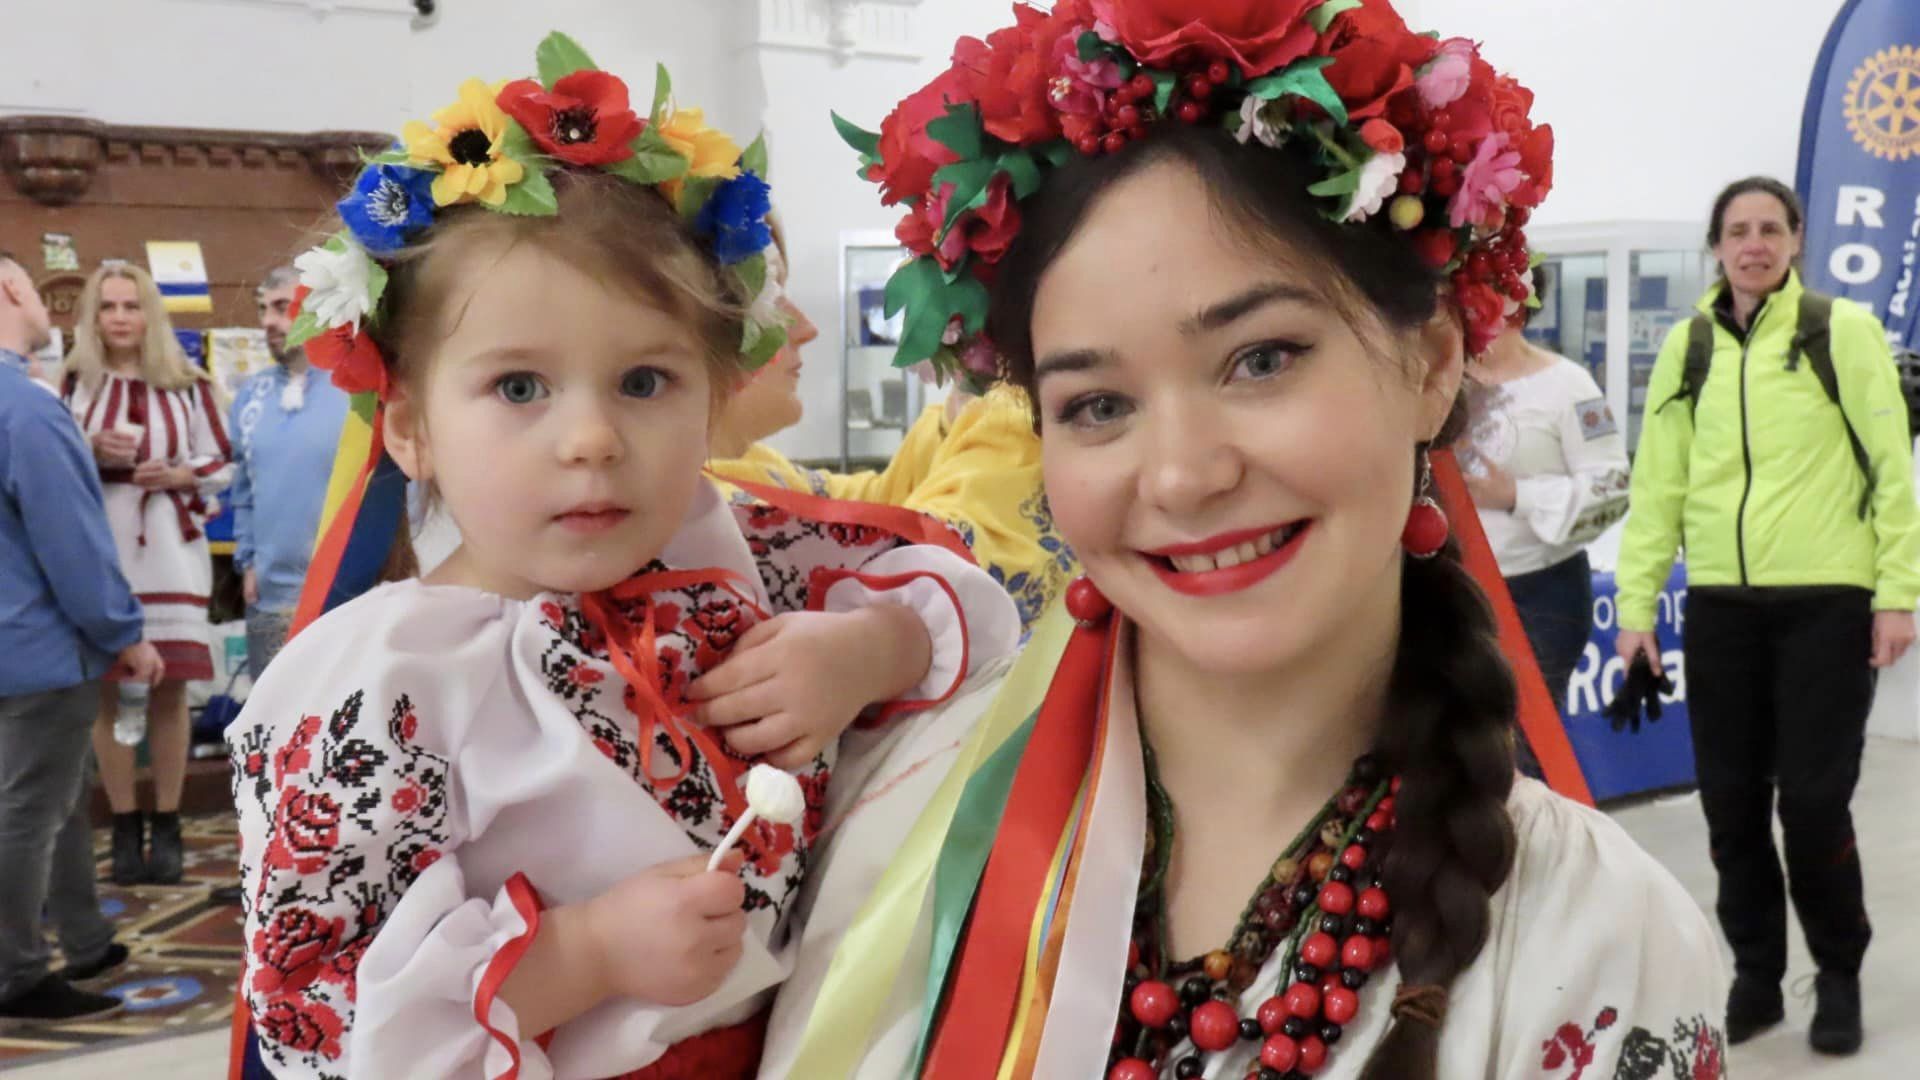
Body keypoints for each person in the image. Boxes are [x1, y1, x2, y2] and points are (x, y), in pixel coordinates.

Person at [761, 3, 1726, 1077]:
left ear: (1433, 362)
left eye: (1261, 359)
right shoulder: (896, 804)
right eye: (1096, 405)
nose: (1181, 474)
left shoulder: (1596, 940)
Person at [229, 39, 1018, 1080]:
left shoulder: (740, 553)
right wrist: (584, 954)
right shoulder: (383, 685)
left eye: (644, 382)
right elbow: (316, 1006)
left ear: (714, 400)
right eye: (519, 388)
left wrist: (869, 648)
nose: (592, 438)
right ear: (412, 427)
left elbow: (965, 600)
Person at [1615, 176, 1920, 1056]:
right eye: (1737, 230)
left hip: (1828, 603)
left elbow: (1891, 468)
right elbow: (1659, 485)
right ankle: (1755, 974)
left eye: (1770, 229)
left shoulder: (1841, 333)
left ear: (1794, 240)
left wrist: (1896, 591)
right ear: (1716, 246)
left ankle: (1840, 973)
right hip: (1722, 608)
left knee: (1817, 804)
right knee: (1731, 806)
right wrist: (1638, 608)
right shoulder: (1691, 347)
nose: (1754, 244)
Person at [709, 226, 1076, 633]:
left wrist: (960, 408)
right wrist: (1008, 391)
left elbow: (871, 508)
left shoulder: (734, 468)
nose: (806, 328)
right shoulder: (702, 514)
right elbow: (924, 561)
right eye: (771, 298)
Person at [0, 252, 163, 1024]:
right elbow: (70, 539)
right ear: (8, 292)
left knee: (54, 801)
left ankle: (84, 936)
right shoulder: (26, 407)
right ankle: (17, 975)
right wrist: (124, 631)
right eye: (32, 286)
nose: (44, 303)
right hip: (34, 647)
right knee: (29, 812)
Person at [62, 262, 232, 887]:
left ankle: (168, 822)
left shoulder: (186, 382)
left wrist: (182, 474)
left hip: (167, 546)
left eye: (131, 306)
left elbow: (221, 459)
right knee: (105, 689)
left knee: (170, 687)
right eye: (108, 307)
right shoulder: (76, 382)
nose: (120, 318)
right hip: (100, 549)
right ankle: (125, 823)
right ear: (93, 316)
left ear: (150, 313)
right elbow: (48, 460)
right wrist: (88, 449)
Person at [1459, 313, 1630, 773]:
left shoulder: (1571, 386)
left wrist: (1518, 496)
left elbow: (1611, 491)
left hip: (1540, 594)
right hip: (1452, 590)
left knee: (1524, 751)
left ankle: (1530, 843)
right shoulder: (1435, 379)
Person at [228, 265, 352, 680]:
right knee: (271, 734)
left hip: (349, 595)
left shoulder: (355, 386)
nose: (268, 321)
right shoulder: (250, 395)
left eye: (282, 307)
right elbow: (243, 487)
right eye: (263, 309)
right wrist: (246, 559)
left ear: (315, 308)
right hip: (269, 600)